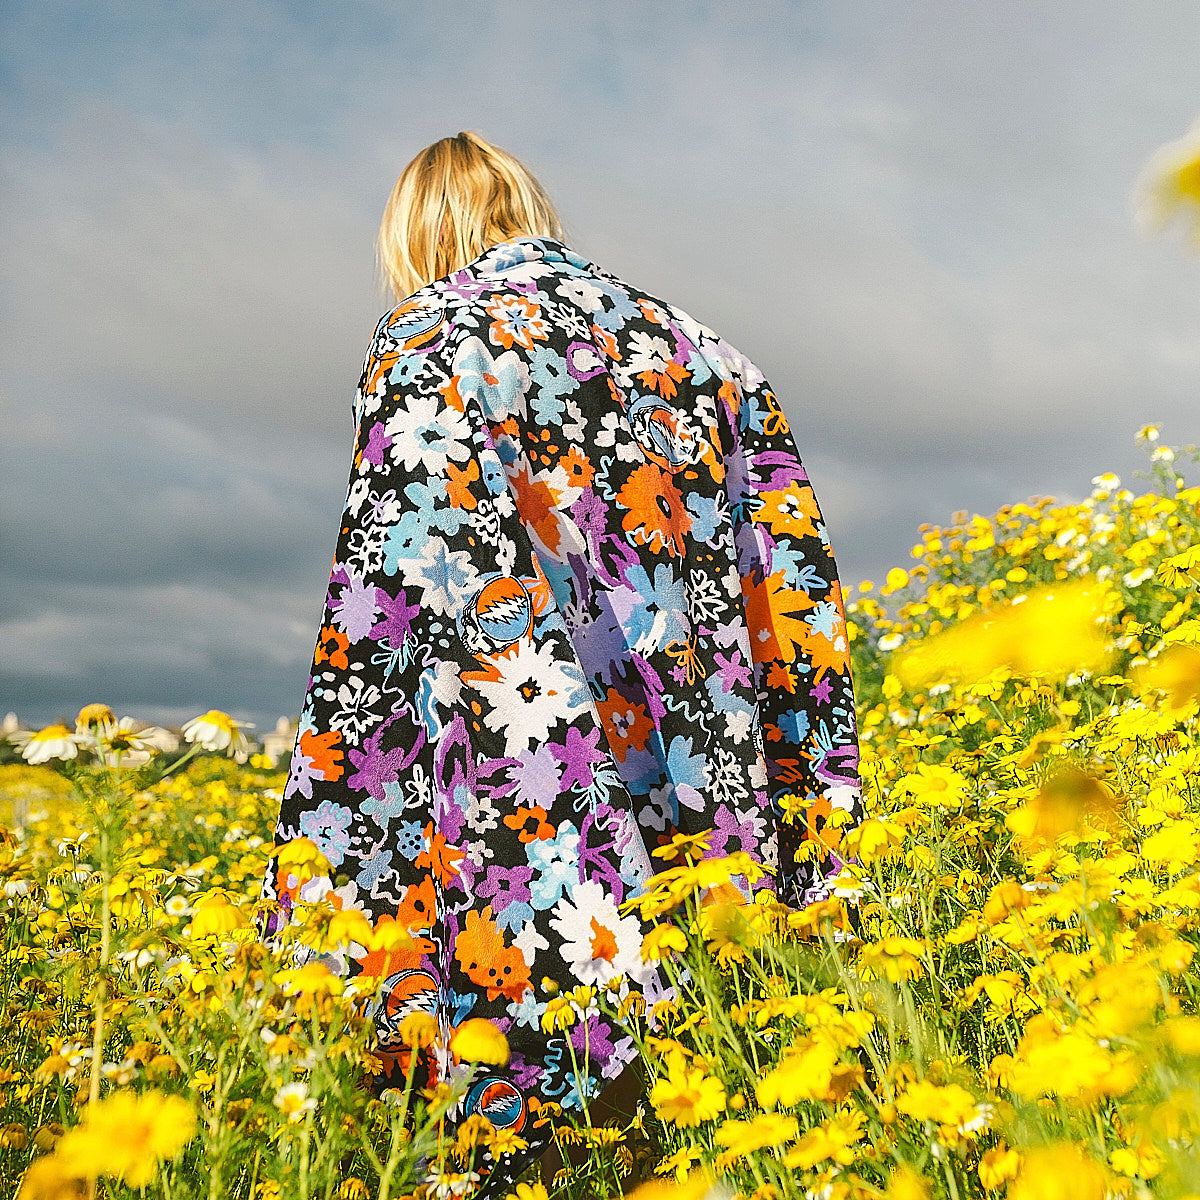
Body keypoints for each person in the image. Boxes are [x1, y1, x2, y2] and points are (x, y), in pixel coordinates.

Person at [260, 129, 862, 1197]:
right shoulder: (704, 350)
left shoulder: (429, 338)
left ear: (420, 236)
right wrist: (811, 827)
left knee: (546, 1155)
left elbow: (391, 618)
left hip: (541, 841)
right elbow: (792, 585)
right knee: (723, 1133)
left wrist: (338, 900)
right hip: (714, 813)